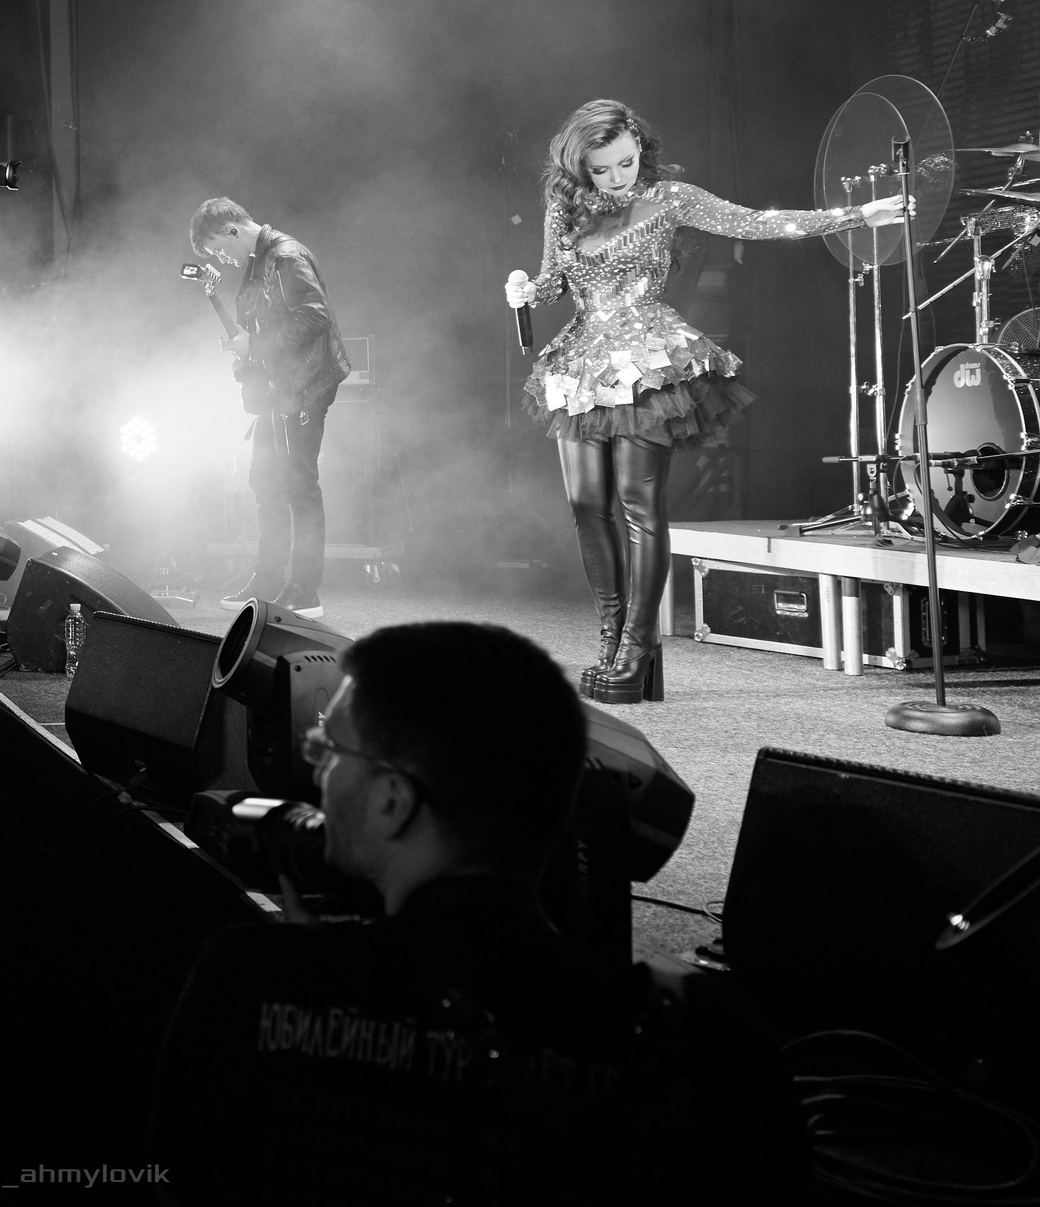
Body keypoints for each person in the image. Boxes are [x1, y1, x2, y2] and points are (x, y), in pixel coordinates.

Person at [150, 621, 801, 1203]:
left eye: (330, 750)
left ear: (392, 801)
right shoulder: (714, 1044)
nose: (317, 771)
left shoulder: (246, 981)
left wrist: (319, 970)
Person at [503, 100, 904, 703]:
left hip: (648, 358)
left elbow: (756, 222)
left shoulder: (670, 198)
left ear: (640, 146)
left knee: (639, 504)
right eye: (603, 170)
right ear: (580, 170)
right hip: (581, 363)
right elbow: (555, 281)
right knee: (587, 503)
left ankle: (639, 649)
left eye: (626, 163)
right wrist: (524, 291)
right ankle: (610, 639)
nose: (618, 178)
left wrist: (856, 215)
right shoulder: (565, 209)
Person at [189, 196, 350, 617]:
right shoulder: (260, 262)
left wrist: (255, 344)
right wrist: (244, 344)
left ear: (232, 230)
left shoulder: (285, 257)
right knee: (265, 482)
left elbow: (316, 316)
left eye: (221, 248)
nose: (223, 258)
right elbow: (270, 320)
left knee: (300, 485)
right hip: (279, 388)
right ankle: (268, 579)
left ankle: (305, 591)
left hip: (305, 386)